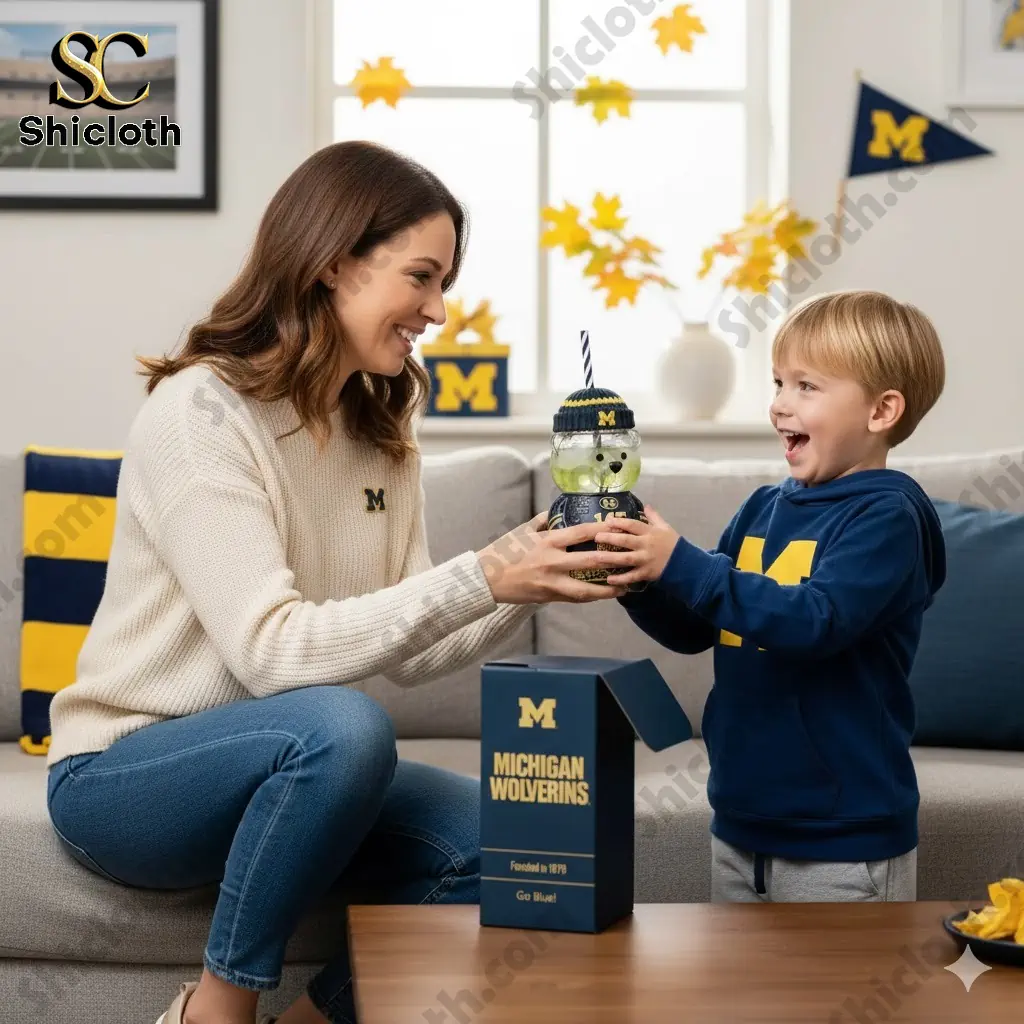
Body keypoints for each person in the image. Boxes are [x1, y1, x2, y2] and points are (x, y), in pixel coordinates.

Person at [44, 140, 635, 1024]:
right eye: (423, 277)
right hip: (131, 776)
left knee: (529, 842)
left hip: (302, 767)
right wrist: (485, 572)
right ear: (332, 266)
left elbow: (413, 649)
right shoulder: (202, 414)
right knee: (344, 726)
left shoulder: (380, 422)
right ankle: (214, 1012)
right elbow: (272, 652)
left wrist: (537, 568)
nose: (439, 310)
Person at [598, 290, 947, 903]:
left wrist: (681, 560)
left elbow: (816, 621)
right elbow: (699, 626)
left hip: (845, 839)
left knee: (835, 1000)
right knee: (743, 1002)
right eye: (779, 382)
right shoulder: (764, 507)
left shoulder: (889, 517)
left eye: (807, 387)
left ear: (881, 410)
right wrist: (643, 581)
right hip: (741, 825)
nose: (779, 403)